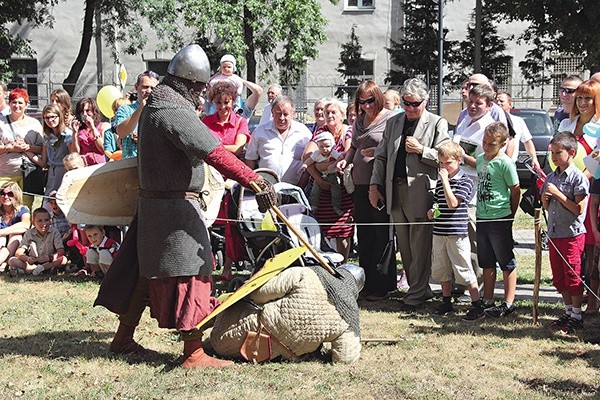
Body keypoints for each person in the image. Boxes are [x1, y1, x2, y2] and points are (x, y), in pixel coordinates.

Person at [103, 44, 276, 368]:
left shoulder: (162, 102)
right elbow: (215, 152)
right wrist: (255, 180)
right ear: (187, 82)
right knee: (192, 272)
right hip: (173, 211)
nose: (201, 93)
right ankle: (193, 352)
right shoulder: (172, 109)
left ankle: (123, 338)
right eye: (198, 86)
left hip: (157, 208)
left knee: (146, 272)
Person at [370, 78, 450, 311]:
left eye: (416, 104)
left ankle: (415, 294)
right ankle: (420, 288)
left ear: (425, 101)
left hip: (421, 191)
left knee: (420, 244)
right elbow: (382, 156)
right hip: (394, 189)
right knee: (404, 244)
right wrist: (375, 185)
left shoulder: (437, 123)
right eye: (406, 103)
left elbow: (447, 157)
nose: (411, 108)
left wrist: (421, 150)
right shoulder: (394, 122)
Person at [209, 264, 364, 364]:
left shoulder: (307, 275)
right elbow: (346, 358)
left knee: (241, 304)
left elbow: (259, 294)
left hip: (226, 335)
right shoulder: (349, 318)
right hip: (272, 354)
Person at [338, 81, 396, 300]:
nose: (366, 105)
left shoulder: (391, 118)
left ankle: (382, 285)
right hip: (360, 184)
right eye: (362, 102)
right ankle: (366, 282)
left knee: (382, 233)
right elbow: (354, 146)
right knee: (364, 234)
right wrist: (347, 159)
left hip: (380, 183)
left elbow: (393, 147)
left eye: (370, 101)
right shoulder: (360, 120)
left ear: (378, 98)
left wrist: (379, 150)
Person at [427, 141, 483, 319]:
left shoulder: (465, 181)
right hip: (440, 231)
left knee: (463, 267)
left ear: (459, 161)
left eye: (448, 163)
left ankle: (476, 304)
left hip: (456, 233)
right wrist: (433, 211)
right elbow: (439, 203)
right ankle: (446, 301)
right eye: (441, 163)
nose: (444, 167)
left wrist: (444, 181)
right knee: (441, 267)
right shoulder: (441, 182)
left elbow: (453, 204)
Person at [542, 132, 589, 333]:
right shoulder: (552, 177)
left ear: (571, 153)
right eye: (552, 152)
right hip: (554, 234)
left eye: (557, 153)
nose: (553, 157)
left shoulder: (578, 178)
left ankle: (577, 314)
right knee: (559, 277)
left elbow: (579, 209)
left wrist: (558, 194)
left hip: (572, 235)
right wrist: (545, 199)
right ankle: (568, 311)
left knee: (572, 275)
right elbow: (546, 206)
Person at [475, 122, 521, 317]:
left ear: (502, 144)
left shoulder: (505, 163)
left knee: (505, 259)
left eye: (491, 144)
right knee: (486, 260)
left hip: (500, 217)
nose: (486, 147)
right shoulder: (480, 159)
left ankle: (508, 301)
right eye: (484, 142)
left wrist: (511, 212)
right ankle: (487, 299)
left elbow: (515, 189)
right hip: (481, 216)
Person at [303, 100, 354, 259]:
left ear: (342, 115)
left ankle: (343, 264)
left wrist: (320, 165)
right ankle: (326, 265)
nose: (330, 115)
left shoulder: (348, 132)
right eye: (327, 113)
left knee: (343, 231)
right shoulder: (320, 133)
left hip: (342, 190)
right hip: (321, 190)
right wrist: (319, 179)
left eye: (334, 112)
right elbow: (306, 157)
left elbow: (346, 157)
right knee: (322, 229)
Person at [245, 96, 312, 186]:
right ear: (272, 113)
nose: (282, 118)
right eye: (278, 113)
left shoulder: (303, 132)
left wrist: (303, 182)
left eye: (286, 114)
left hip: (297, 188)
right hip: (267, 188)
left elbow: (311, 159)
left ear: (293, 114)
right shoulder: (260, 131)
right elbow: (250, 159)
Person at [0, 88, 44, 210]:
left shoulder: (34, 123)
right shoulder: (1, 122)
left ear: (26, 104)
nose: (17, 106)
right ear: (9, 103)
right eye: (14, 102)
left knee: (24, 208)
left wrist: (27, 147)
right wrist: (11, 148)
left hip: (28, 174)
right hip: (5, 173)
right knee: (3, 207)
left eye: (20, 102)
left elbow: (42, 148)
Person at [8, 207, 66, 276]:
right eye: (40, 221)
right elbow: (18, 252)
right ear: (33, 223)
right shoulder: (29, 233)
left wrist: (50, 257)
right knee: (12, 260)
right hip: (33, 262)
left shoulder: (54, 232)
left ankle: (40, 269)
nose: (44, 223)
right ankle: (35, 269)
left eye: (46, 220)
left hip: (49, 261)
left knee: (63, 259)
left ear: (50, 221)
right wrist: (27, 258)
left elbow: (61, 251)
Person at [114, 70, 160, 159]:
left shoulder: (161, 112)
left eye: (153, 88)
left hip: (154, 162)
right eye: (145, 87)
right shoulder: (125, 109)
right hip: (131, 163)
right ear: (136, 87)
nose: (149, 91)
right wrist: (140, 108)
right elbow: (121, 132)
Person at [202, 80, 250, 158]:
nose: (222, 106)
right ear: (213, 102)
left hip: (234, 167)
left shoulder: (241, 122)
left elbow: (237, 149)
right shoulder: (206, 121)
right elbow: (202, 146)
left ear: (233, 101)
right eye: (218, 102)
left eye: (226, 102)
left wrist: (212, 148)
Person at [300, 131, 344, 214]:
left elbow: (341, 157)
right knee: (315, 191)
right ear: (318, 146)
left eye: (327, 146)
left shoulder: (333, 153)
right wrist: (304, 165)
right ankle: (314, 206)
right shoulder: (316, 154)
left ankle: (336, 206)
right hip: (320, 175)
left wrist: (334, 164)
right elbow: (310, 160)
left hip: (332, 174)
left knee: (336, 191)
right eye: (321, 147)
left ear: (333, 146)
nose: (324, 149)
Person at [35, 104, 73, 197]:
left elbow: (73, 155)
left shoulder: (67, 134)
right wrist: (26, 151)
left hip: (64, 173)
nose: (50, 120)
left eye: (53, 117)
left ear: (59, 116)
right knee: (48, 203)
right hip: (51, 175)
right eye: (46, 118)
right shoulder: (47, 137)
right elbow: (43, 162)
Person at [496, 91, 539, 169]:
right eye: (496, 101)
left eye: (501, 101)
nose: (498, 103)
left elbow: (527, 141)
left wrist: (534, 158)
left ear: (510, 104)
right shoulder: (491, 120)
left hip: (509, 165)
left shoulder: (518, 121)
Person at [0, 182, 30, 272]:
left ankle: (4, 262)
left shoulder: (23, 210)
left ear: (16, 195)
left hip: (16, 247)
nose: (6, 197)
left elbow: (25, 225)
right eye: (2, 194)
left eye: (10, 194)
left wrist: (2, 232)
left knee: (16, 236)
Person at [71, 98, 109, 166]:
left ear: (94, 112)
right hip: (84, 166)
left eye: (88, 111)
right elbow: (75, 153)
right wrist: (74, 133)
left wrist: (93, 128)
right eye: (82, 112)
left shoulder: (103, 126)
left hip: (99, 165)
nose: (85, 114)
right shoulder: (80, 130)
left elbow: (103, 149)